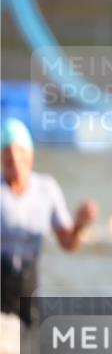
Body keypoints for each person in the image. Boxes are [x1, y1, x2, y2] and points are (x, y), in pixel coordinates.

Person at [0, 118, 98, 327]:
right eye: (8, 154)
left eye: (20, 152)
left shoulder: (46, 189)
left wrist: (80, 224)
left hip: (29, 289)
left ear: (31, 156)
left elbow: (68, 244)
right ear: (1, 158)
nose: (15, 159)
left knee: (32, 353)